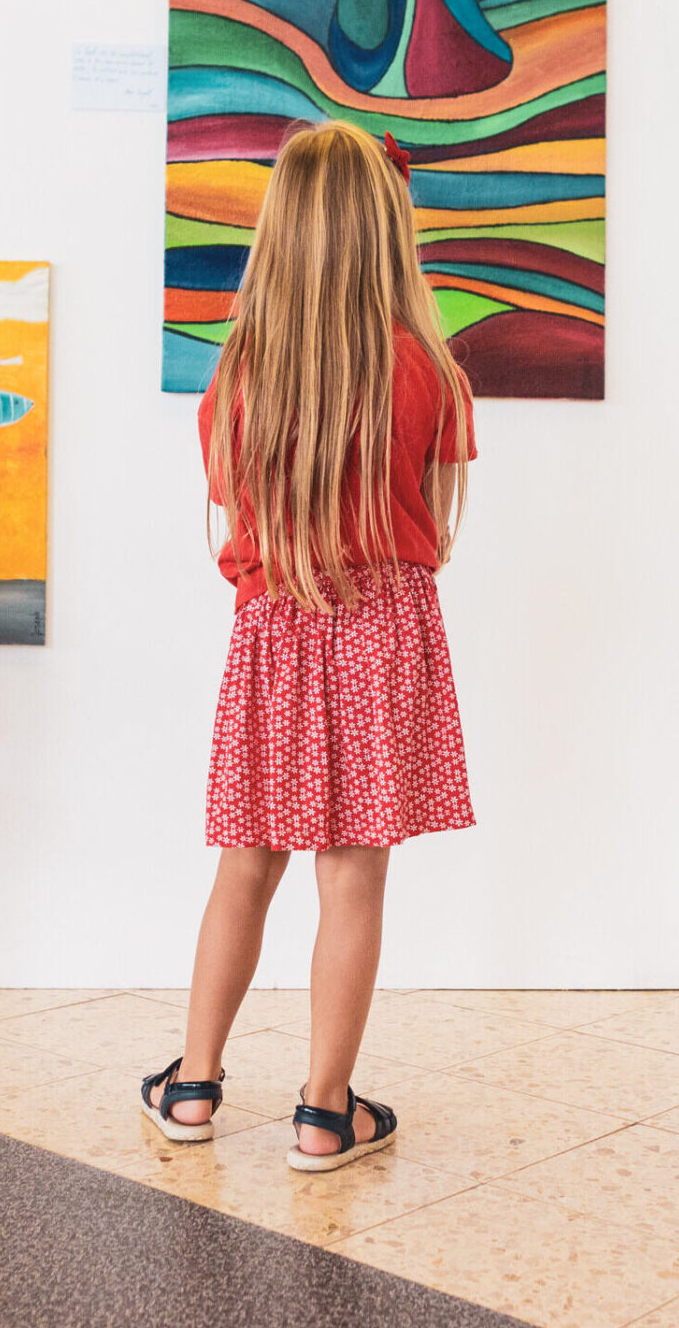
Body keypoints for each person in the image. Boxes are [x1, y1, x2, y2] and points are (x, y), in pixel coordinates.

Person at [142, 120, 476, 1171]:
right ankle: (325, 1114)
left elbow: (231, 498)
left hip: (275, 627)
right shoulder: (426, 368)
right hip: (384, 626)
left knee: (245, 865)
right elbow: (432, 515)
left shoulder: (240, 374)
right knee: (353, 878)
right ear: (386, 229)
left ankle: (193, 1086)